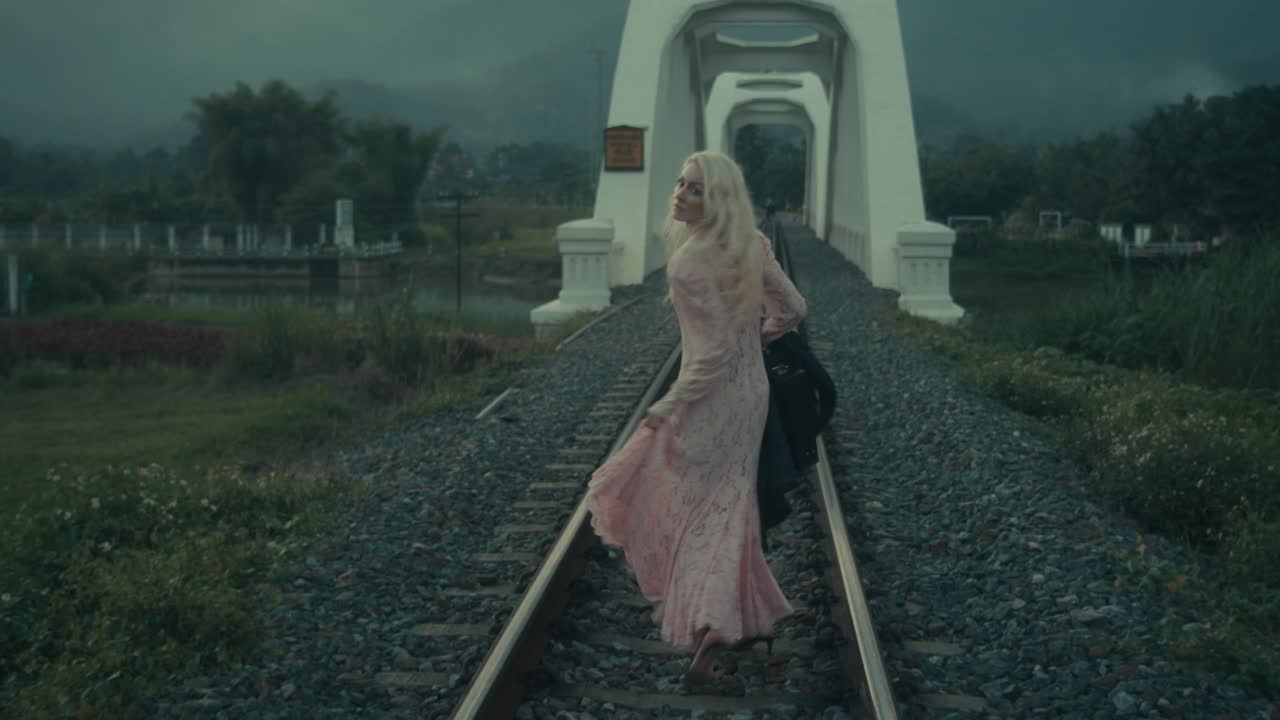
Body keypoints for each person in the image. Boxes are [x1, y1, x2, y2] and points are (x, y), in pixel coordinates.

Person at [584, 150, 807, 685]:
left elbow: (709, 357)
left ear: (720, 201)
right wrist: (759, 339)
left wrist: (670, 401)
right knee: (731, 506)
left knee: (707, 509)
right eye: (682, 184)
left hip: (712, 400)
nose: (681, 195)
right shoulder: (750, 247)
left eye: (696, 189)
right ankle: (747, 621)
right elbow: (794, 310)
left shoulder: (688, 263)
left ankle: (712, 631)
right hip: (750, 397)